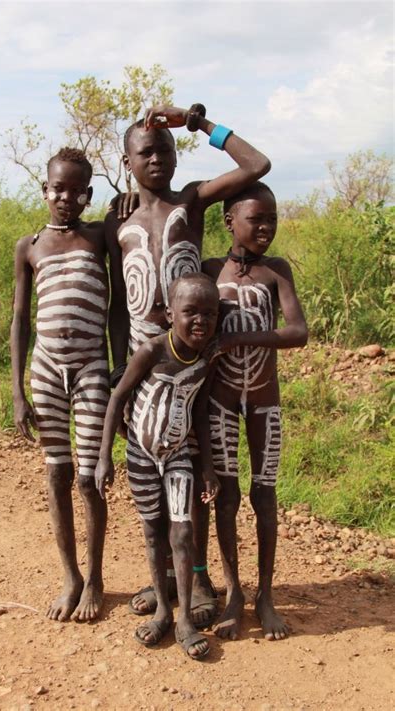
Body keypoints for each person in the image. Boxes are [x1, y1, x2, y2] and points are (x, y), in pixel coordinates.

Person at [106, 103, 271, 624]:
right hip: (143, 365)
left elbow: (257, 165)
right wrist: (120, 365)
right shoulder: (120, 220)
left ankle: (198, 576)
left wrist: (199, 125)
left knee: (192, 463)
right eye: (145, 152)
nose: (157, 158)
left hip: (194, 363)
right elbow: (118, 301)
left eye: (164, 150)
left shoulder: (192, 202)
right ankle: (166, 579)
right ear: (128, 161)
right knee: (151, 473)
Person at [95, 272, 250, 659]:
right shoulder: (152, 351)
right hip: (141, 456)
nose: (201, 321)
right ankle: (164, 611)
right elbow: (117, 400)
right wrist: (103, 458)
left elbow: (199, 412)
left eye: (210, 314)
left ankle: (183, 620)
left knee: (182, 533)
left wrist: (209, 467)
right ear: (169, 315)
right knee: (153, 532)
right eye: (190, 312)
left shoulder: (204, 360)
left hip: (179, 455)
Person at [10, 147, 134, 623]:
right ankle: (70, 576)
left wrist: (119, 365)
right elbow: (21, 319)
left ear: (87, 195)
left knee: (90, 477)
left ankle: (97, 576)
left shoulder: (99, 237)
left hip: (90, 370)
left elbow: (117, 307)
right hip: (45, 370)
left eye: (75, 191)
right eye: (57, 189)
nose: (65, 198)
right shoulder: (31, 245)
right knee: (56, 473)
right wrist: (18, 390)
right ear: (45, 190)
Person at [202, 181, 308, 641]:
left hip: (265, 401)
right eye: (256, 219)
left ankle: (264, 594)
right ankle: (232, 593)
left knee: (263, 495)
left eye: (272, 219)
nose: (266, 227)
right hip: (221, 401)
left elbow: (298, 331)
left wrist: (241, 338)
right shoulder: (209, 270)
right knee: (225, 496)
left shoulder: (275, 271)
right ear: (229, 221)